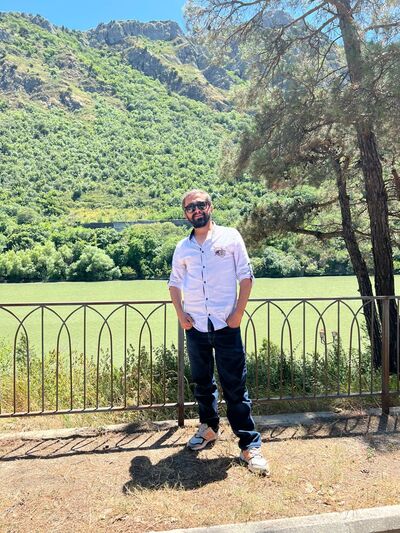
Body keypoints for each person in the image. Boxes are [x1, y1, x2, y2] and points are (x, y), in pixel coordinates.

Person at [168, 189, 269, 475]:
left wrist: (238, 314)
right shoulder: (182, 247)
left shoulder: (230, 237)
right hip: (196, 327)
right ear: (185, 214)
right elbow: (174, 283)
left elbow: (246, 277)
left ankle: (249, 445)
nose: (196, 210)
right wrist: (181, 314)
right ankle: (209, 428)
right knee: (202, 384)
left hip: (226, 326)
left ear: (210, 207)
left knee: (235, 386)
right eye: (190, 207)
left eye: (200, 205)